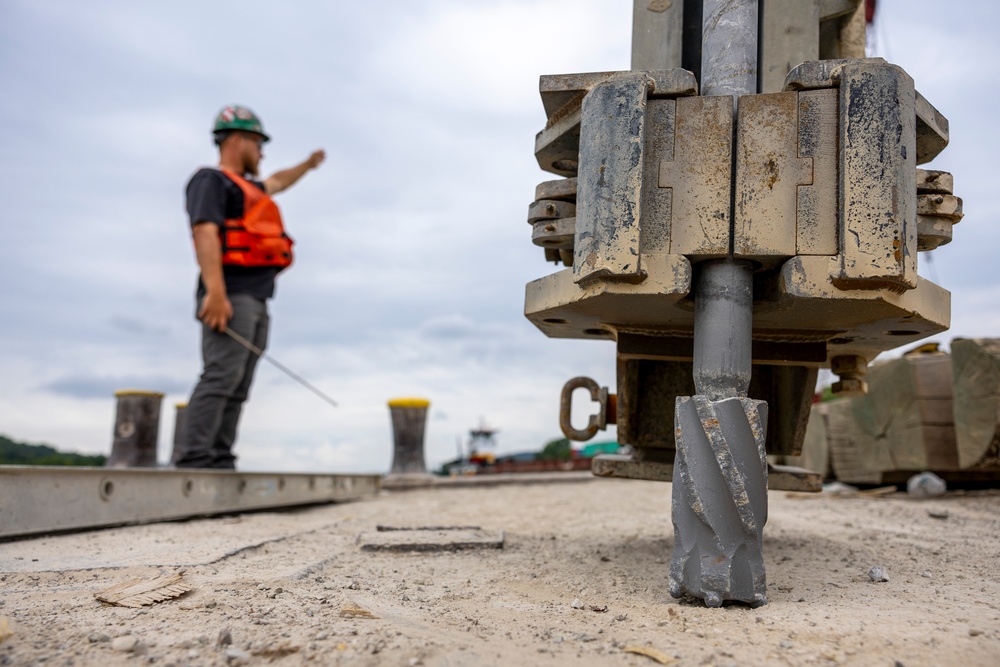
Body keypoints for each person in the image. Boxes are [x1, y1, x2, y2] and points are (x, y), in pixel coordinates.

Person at [176, 105, 325, 469]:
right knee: (221, 375)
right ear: (238, 140)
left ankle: (220, 458)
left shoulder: (250, 188)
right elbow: (205, 232)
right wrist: (215, 292)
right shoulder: (211, 181)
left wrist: (307, 165)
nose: (262, 153)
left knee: (239, 382)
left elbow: (277, 181)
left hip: (257, 298)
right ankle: (194, 460)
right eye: (258, 144)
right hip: (229, 295)